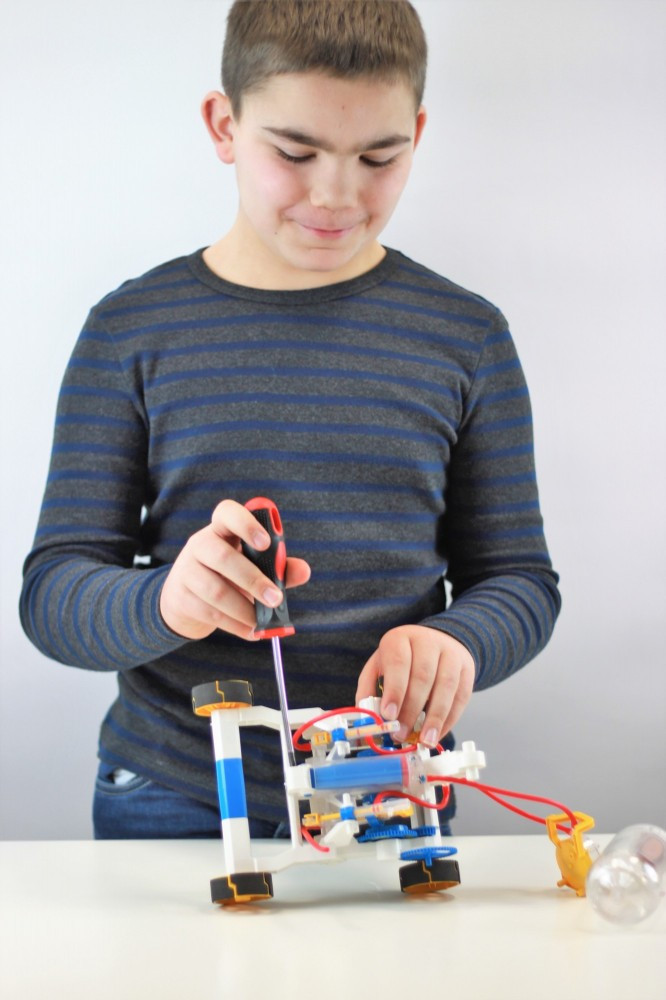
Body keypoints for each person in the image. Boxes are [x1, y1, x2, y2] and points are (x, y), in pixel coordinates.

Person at [19, 0, 560, 839]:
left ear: (417, 133)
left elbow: (520, 579)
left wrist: (461, 642)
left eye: (379, 156)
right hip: (176, 789)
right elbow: (55, 592)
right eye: (295, 152)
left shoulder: (467, 336)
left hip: (390, 785)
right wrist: (168, 602)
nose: (335, 195)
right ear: (224, 125)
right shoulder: (130, 330)